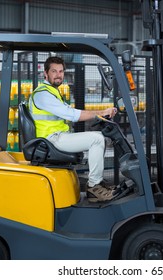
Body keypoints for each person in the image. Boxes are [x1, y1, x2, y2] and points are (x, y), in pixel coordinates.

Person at [29, 56, 118, 202]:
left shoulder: (52, 92)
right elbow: (72, 115)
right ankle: (94, 186)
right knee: (97, 139)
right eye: (54, 71)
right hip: (51, 140)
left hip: (56, 137)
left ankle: (97, 183)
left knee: (97, 136)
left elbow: (69, 113)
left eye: (61, 71)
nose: (58, 75)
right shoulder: (43, 94)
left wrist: (99, 115)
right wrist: (101, 113)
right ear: (45, 73)